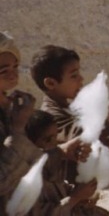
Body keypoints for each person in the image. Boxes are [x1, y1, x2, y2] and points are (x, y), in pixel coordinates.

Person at [30, 45, 109, 185]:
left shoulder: (69, 108)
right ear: (51, 83)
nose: (81, 79)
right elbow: (79, 138)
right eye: (73, 76)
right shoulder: (50, 116)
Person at [25, 109, 109, 216]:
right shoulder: (24, 177)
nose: (54, 145)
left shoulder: (51, 164)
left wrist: (84, 195)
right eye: (48, 140)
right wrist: (75, 198)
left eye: (55, 137)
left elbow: (59, 190)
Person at [0, 32, 43, 214]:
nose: (13, 75)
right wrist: (18, 130)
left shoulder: (12, 109)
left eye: (15, 67)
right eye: (3, 71)